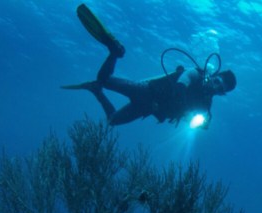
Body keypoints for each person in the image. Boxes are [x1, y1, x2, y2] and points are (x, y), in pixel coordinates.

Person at [63, 4, 237, 127]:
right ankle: (114, 51)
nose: (215, 86)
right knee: (105, 79)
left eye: (220, 88)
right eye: (217, 81)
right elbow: (183, 81)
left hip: (147, 108)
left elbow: (194, 121)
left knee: (112, 121)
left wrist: (202, 122)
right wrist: (181, 94)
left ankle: (97, 91)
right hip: (145, 91)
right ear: (214, 76)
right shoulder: (196, 74)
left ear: (221, 93)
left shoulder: (205, 105)